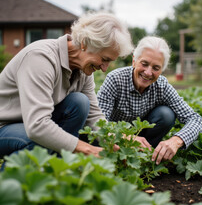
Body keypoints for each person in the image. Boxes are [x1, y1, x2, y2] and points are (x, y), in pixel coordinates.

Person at [0, 11, 134, 168]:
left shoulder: (83, 69)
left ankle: (54, 172)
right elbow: (37, 127)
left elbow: (93, 114)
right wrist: (86, 149)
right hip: (5, 127)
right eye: (104, 59)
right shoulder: (40, 58)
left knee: (80, 102)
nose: (104, 68)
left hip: (28, 125)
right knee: (39, 139)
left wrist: (115, 143)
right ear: (84, 43)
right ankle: (8, 187)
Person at [97, 36, 202, 165]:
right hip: (115, 138)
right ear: (134, 61)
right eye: (144, 64)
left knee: (166, 114)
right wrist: (125, 137)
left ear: (161, 71)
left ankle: (149, 155)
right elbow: (98, 123)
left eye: (156, 68)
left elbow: (196, 120)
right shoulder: (115, 79)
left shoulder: (162, 86)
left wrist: (176, 140)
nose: (148, 72)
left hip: (146, 139)